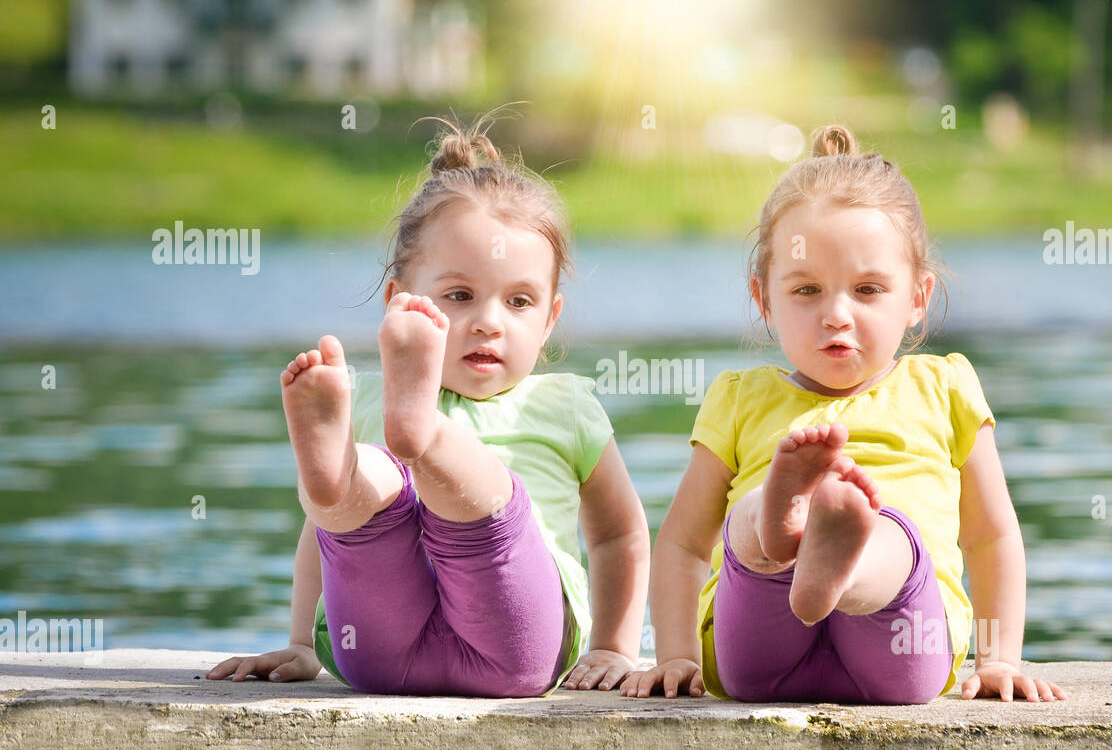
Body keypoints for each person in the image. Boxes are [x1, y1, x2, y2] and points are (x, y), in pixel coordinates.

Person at [208, 111, 649, 697]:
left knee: (465, 501)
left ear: (551, 319)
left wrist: (615, 649)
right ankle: (347, 472)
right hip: (384, 648)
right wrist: (298, 645)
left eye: (519, 302)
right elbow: (320, 535)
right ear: (399, 300)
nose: (489, 322)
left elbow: (620, 533)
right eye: (460, 296)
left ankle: (422, 439)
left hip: (506, 643)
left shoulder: (564, 405)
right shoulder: (363, 397)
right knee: (354, 507)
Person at [624, 124, 1066, 705]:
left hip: (903, 646)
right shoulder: (739, 397)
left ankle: (844, 552)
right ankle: (781, 524)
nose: (836, 314)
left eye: (867, 289)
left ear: (916, 298)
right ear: (764, 301)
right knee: (749, 530)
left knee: (890, 539)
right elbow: (683, 542)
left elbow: (991, 535)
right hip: (755, 652)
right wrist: (677, 657)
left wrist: (999, 660)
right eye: (807, 291)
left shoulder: (943, 386)